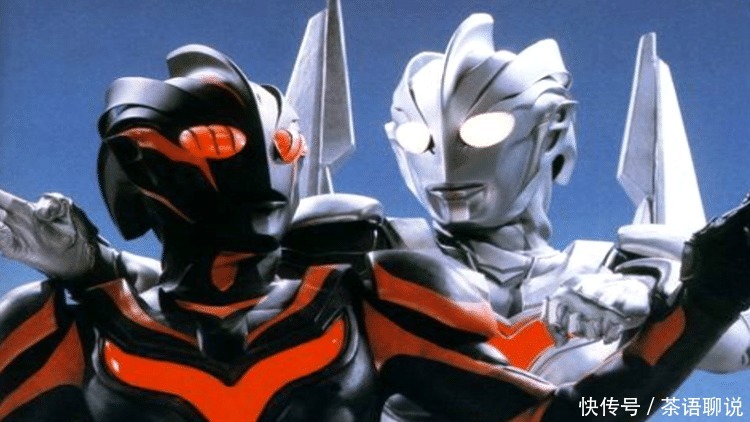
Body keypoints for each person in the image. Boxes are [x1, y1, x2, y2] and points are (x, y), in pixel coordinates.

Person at [2, 41, 750, 422]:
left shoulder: (364, 301)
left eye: (283, 143)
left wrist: (697, 302)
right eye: (219, 144)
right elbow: (181, 298)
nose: (267, 167)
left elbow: (563, 415)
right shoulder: (68, 327)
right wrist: (94, 272)